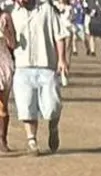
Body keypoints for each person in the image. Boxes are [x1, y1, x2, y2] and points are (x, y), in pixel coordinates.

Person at [8, 0, 67, 156]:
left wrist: (62, 59)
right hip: (22, 66)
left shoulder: (47, 9)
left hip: (46, 64)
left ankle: (53, 127)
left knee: (53, 106)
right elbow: (10, 42)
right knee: (27, 106)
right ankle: (31, 140)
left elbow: (60, 35)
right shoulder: (12, 14)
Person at [0, 9, 15, 155]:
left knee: (2, 105)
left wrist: (6, 34)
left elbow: (13, 44)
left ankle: (2, 140)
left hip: (3, 64)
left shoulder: (5, 18)